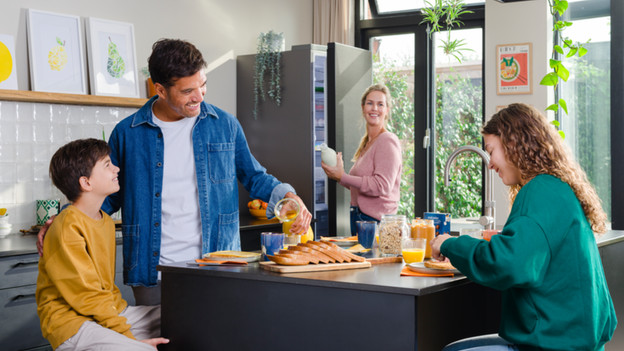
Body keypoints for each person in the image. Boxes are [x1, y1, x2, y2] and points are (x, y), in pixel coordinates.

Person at [38, 39, 311, 305]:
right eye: (187, 91)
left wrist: (289, 196)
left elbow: (254, 176)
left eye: (203, 85)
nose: (199, 97)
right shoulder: (127, 133)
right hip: (152, 269)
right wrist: (64, 219)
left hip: (219, 264)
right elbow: (105, 197)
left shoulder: (225, 124)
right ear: (160, 89)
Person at [431, 103, 616, 351]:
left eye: (491, 150)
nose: (490, 163)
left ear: (513, 144)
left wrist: (448, 244)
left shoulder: (539, 192)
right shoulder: (556, 188)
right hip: (572, 339)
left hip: (554, 344)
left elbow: (507, 263)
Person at [36, 139, 169, 350]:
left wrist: (120, 329)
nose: (117, 168)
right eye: (107, 164)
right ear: (86, 183)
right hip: (72, 323)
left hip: (109, 312)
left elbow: (101, 294)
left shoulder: (105, 221)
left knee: (182, 316)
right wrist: (128, 338)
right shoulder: (67, 227)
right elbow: (87, 296)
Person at [321, 83, 402, 235]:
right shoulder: (368, 143)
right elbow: (362, 185)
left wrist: (343, 176)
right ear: (363, 107)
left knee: (369, 259)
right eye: (370, 103)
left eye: (380, 104)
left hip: (376, 223)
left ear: (387, 110)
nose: (374, 108)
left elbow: (382, 186)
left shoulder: (387, 141)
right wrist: (338, 177)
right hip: (360, 217)